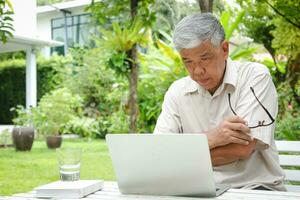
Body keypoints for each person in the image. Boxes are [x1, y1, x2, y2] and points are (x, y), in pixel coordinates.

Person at [154, 12, 286, 191]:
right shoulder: (177, 91)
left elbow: (241, 150)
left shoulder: (254, 77)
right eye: (188, 61)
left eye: (204, 58)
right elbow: (160, 153)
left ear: (225, 49)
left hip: (254, 188)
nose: (197, 71)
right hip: (197, 190)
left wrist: (179, 156)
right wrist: (212, 137)